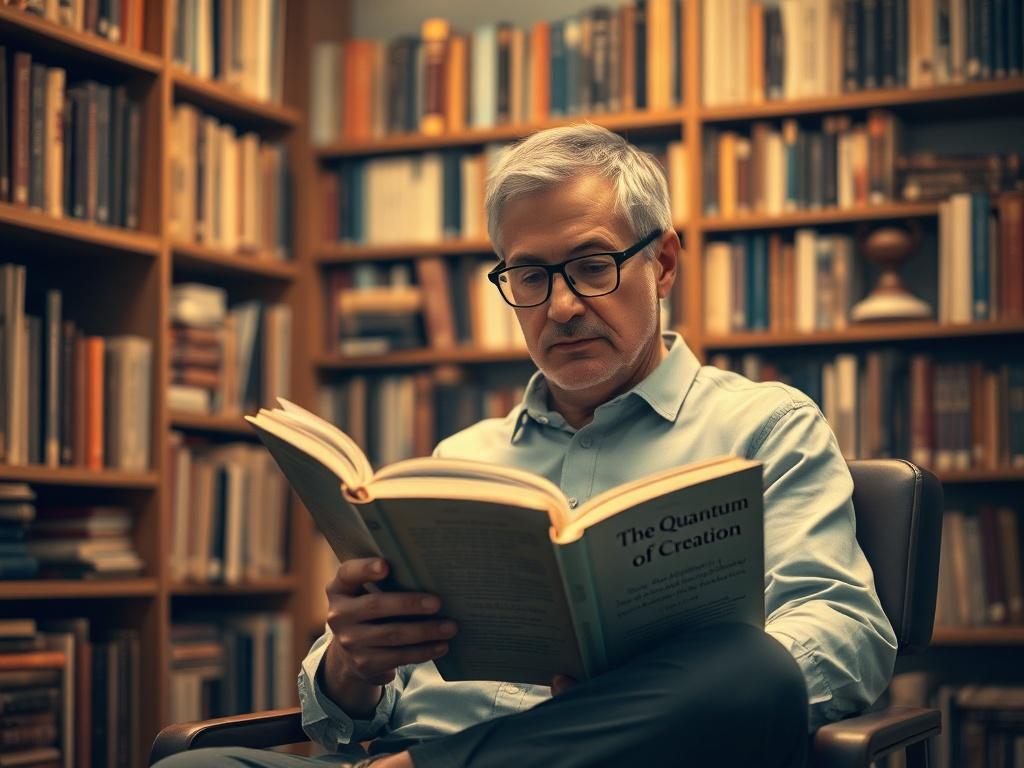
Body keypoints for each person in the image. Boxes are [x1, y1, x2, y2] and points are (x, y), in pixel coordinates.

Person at [154, 124, 897, 768]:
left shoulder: (766, 428)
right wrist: (352, 662)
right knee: (196, 764)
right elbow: (341, 721)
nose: (562, 307)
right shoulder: (459, 463)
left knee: (754, 669)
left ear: (664, 263)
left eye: (593, 266)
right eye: (530, 276)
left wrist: (636, 690)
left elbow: (845, 637)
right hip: (404, 748)